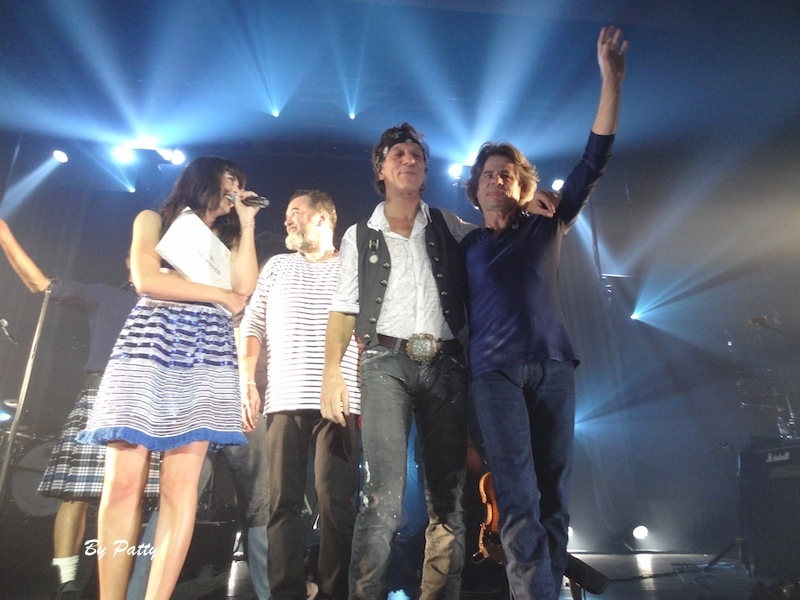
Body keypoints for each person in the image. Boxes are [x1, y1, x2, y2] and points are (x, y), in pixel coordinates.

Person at [460, 26, 628, 600]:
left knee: (554, 492)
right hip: (494, 373)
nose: (496, 179)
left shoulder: (546, 224)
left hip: (554, 366)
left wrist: (611, 83)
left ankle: (545, 590)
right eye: (488, 174)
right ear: (475, 189)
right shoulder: (463, 245)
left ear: (521, 185)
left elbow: (593, 161)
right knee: (518, 493)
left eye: (506, 174)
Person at [77, 156, 261, 600]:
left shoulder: (231, 238)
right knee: (123, 483)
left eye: (242, 182)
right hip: (149, 344)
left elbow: (244, 290)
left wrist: (248, 223)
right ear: (204, 177)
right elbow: (146, 280)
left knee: (181, 489)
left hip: (207, 351)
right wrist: (217, 294)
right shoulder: (153, 220)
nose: (237, 188)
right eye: (231, 179)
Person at [320, 123, 477, 600]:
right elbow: (344, 307)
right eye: (399, 154)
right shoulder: (360, 234)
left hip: (446, 364)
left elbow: (497, 236)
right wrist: (332, 373)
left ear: (426, 170)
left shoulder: (449, 224)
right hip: (384, 362)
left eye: (417, 155)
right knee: (382, 498)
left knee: (448, 498)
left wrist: (526, 206)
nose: (409, 160)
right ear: (381, 170)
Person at [0, 218, 160, 600]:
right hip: (100, 394)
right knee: (76, 494)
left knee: (131, 496)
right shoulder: (104, 295)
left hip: (146, 402)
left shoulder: (171, 307)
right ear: (129, 261)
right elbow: (39, 284)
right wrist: (4, 234)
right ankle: (67, 583)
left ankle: (112, 583)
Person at [240, 190, 361, 600]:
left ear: (323, 218)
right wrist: (247, 381)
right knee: (282, 504)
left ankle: (333, 593)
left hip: (340, 400)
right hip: (283, 398)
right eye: (287, 212)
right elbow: (252, 325)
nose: (287, 219)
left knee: (335, 504)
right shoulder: (277, 266)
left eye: (297, 212)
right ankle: (286, 593)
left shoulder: (351, 265)